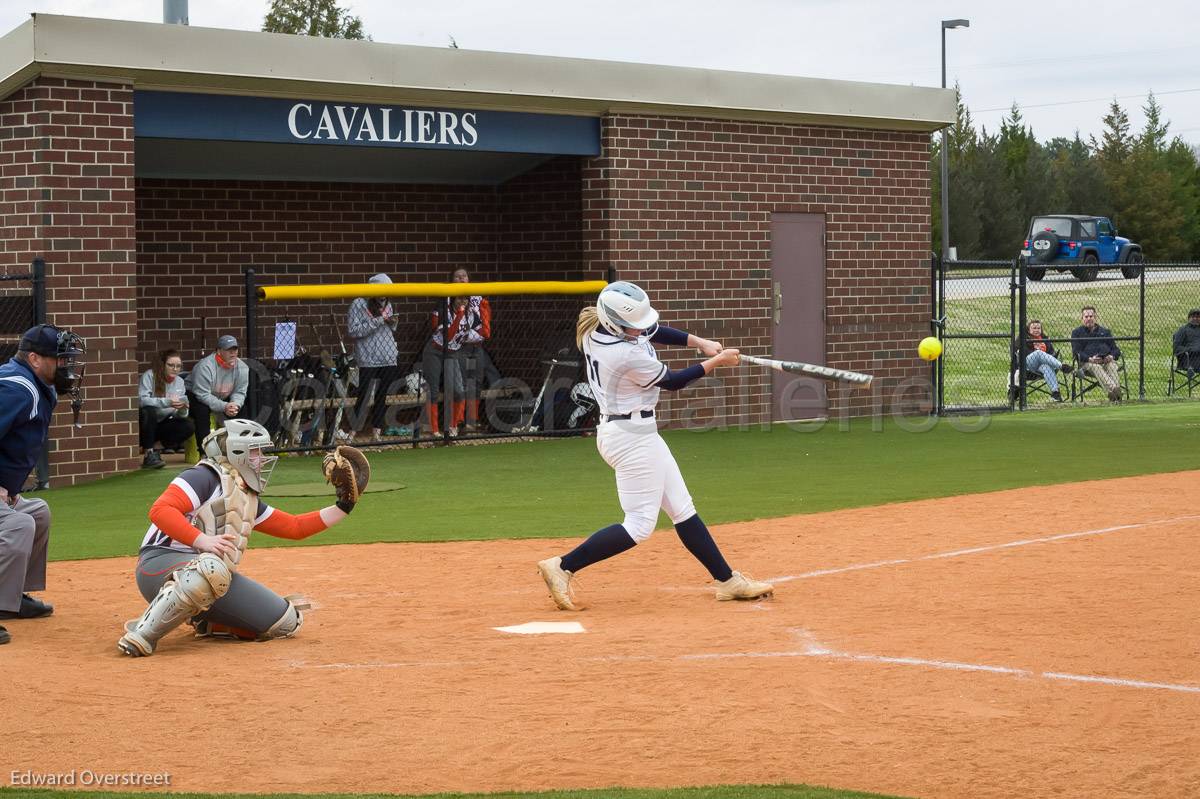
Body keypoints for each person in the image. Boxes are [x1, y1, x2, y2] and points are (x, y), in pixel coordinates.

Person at [536, 282, 774, 611]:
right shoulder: (624, 354)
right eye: (632, 326)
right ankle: (563, 566)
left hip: (634, 431)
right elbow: (674, 381)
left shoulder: (600, 331)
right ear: (614, 323)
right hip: (631, 437)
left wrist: (699, 342)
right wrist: (716, 361)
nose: (640, 330)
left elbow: (653, 329)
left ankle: (727, 580)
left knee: (681, 507)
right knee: (639, 524)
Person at [117, 420, 360, 657]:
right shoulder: (203, 476)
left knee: (284, 622)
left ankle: (209, 622)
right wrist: (201, 540)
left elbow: (294, 527)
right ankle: (142, 634)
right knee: (210, 569)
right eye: (256, 453)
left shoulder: (243, 494)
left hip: (203, 574)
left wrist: (344, 505)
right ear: (236, 452)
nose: (262, 459)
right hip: (159, 564)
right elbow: (160, 510)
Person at [0, 324, 86, 645]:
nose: (67, 367)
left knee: (37, 513)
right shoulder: (16, 389)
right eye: (60, 360)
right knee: (18, 526)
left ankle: (10, 597)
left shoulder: (37, 386)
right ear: (35, 358)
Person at [347, 273, 399, 442]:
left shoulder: (388, 304)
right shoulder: (359, 303)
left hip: (387, 355)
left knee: (382, 395)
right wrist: (378, 321)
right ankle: (353, 431)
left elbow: (391, 330)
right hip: (367, 356)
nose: (384, 293)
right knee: (364, 394)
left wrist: (392, 322)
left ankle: (377, 431)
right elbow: (354, 331)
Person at [186, 334, 250, 449]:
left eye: (235, 349)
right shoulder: (205, 366)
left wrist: (235, 405)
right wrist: (224, 406)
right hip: (195, 395)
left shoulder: (243, 367)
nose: (233, 353)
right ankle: (205, 452)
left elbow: (240, 392)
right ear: (219, 351)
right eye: (228, 350)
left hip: (222, 396)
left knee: (242, 409)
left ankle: (238, 449)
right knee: (202, 410)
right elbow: (202, 394)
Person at [138, 348, 194, 468]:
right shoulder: (150, 376)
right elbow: (142, 401)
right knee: (149, 410)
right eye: (171, 365)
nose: (175, 369)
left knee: (188, 425)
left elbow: (177, 415)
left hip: (162, 424)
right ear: (162, 365)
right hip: (143, 425)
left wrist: (182, 409)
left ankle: (159, 447)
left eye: (178, 366)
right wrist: (167, 402)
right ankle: (149, 453)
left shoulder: (179, 382)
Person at [1071, 305, 1123, 401]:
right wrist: (1090, 359)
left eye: (1091, 316)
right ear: (1082, 318)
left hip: (1105, 361)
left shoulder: (1105, 332)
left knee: (1111, 366)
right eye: (1086, 317)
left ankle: (1114, 396)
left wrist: (1111, 356)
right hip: (1087, 364)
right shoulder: (1076, 333)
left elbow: (1116, 350)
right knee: (1096, 367)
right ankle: (1115, 390)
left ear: (1095, 317)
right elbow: (1076, 352)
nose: (1089, 319)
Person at [1015, 319, 1072, 402]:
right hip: (1028, 364)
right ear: (1029, 329)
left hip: (1041, 366)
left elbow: (1051, 352)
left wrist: (1051, 356)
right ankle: (1062, 366)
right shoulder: (1024, 338)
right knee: (1038, 353)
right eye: (1034, 328)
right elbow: (1022, 352)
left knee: (1046, 367)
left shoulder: (1045, 339)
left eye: (1038, 328)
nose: (1036, 330)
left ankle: (1055, 393)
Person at [1171, 308, 1200, 376]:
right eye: (1193, 317)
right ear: (1189, 318)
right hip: (1188, 359)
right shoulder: (1183, 330)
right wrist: (1192, 349)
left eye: (1198, 317)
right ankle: (1191, 371)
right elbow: (1176, 348)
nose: (1195, 318)